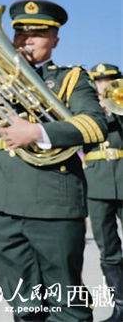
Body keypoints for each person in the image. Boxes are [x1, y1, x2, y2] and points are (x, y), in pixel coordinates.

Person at [0, 0, 107, 320]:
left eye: (38, 33)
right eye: (20, 33)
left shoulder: (70, 79)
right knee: (23, 305)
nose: (26, 39)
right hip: (3, 209)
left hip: (54, 207)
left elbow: (96, 125)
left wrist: (37, 132)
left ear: (55, 39)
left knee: (67, 306)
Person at [85, 63, 123, 321]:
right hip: (96, 184)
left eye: (109, 80)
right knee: (108, 248)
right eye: (99, 81)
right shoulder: (85, 110)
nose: (104, 85)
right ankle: (119, 308)